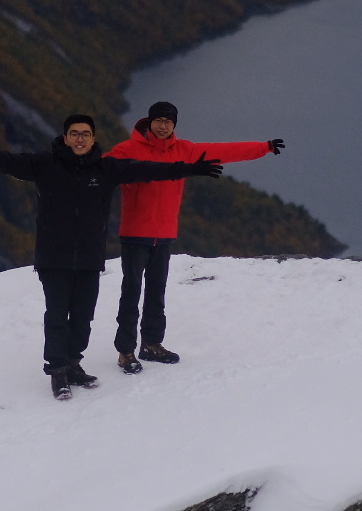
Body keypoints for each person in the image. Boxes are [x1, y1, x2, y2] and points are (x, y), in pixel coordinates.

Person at [0, 115, 221, 400]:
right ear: (65, 137)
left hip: (88, 257)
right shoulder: (45, 165)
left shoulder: (106, 169)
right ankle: (58, 372)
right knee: (58, 316)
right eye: (74, 134)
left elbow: (147, 170)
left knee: (83, 317)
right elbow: (3, 161)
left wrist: (190, 169)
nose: (80, 139)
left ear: (94, 139)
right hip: (53, 257)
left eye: (86, 134)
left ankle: (73, 364)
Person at [104, 101, 284, 373]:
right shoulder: (128, 150)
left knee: (156, 291)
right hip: (134, 234)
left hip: (164, 235)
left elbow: (226, 151)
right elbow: (98, 170)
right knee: (131, 292)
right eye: (158, 120)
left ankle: (152, 343)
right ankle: (125, 351)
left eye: (168, 121)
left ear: (175, 124)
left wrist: (264, 147)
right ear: (149, 122)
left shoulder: (185, 150)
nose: (163, 126)